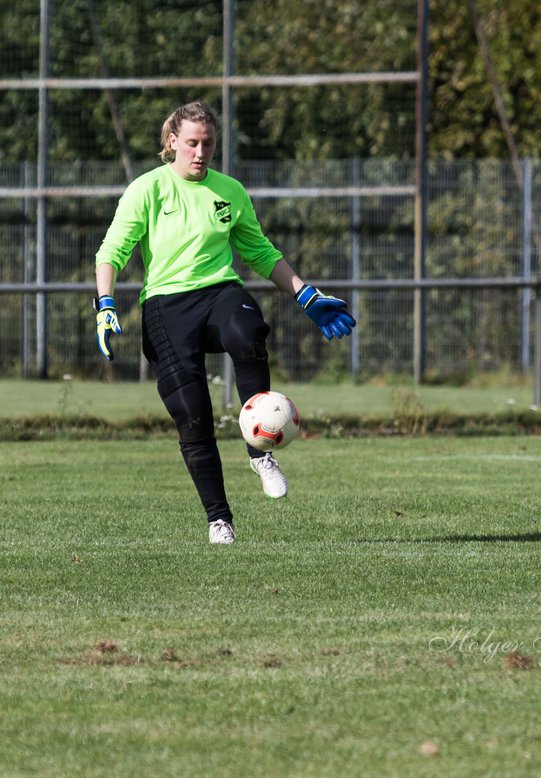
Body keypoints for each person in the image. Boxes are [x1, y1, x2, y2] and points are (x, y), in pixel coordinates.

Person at [93, 101, 355, 545]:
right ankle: (220, 520)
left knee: (248, 329)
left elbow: (261, 252)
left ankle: (260, 450)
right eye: (192, 143)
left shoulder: (229, 190)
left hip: (219, 293)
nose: (200, 152)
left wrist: (306, 295)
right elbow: (112, 251)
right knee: (192, 415)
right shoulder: (147, 189)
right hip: (165, 304)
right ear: (172, 141)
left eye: (208, 144)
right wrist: (104, 302)